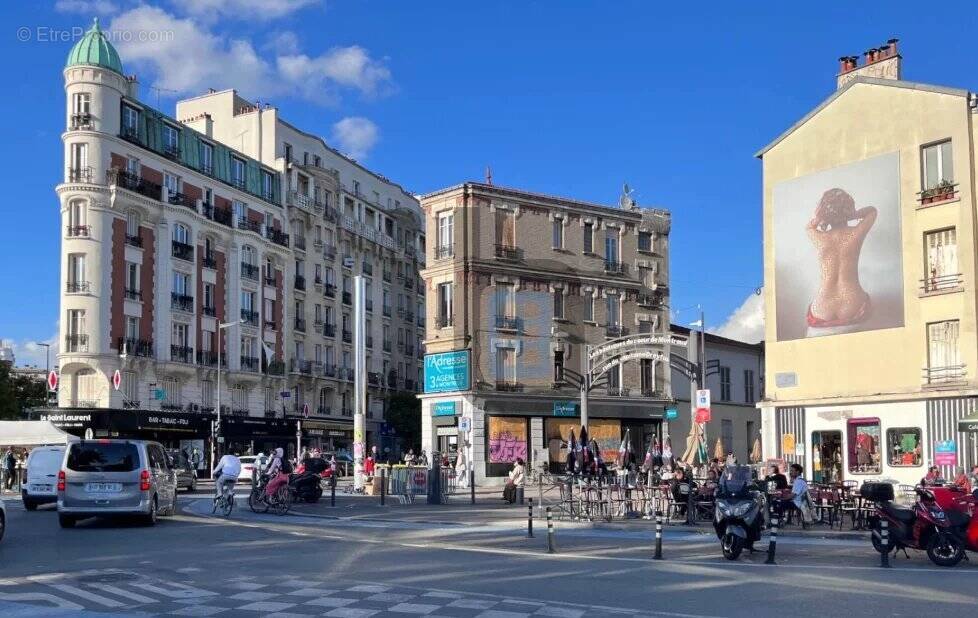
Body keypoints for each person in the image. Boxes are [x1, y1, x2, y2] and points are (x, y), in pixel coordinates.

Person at [805, 188, 878, 336]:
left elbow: (809, 226)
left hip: (822, 307)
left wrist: (823, 215)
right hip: (853, 303)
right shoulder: (855, 234)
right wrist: (851, 214)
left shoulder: (819, 237)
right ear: (849, 208)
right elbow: (872, 211)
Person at [788, 463, 813, 528]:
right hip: (801, 502)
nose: (791, 472)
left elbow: (793, 495)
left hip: (798, 503)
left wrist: (783, 498)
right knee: (783, 502)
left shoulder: (798, 482)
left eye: (792, 471)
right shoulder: (799, 480)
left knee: (778, 503)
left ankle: (776, 522)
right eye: (790, 471)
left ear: (797, 472)